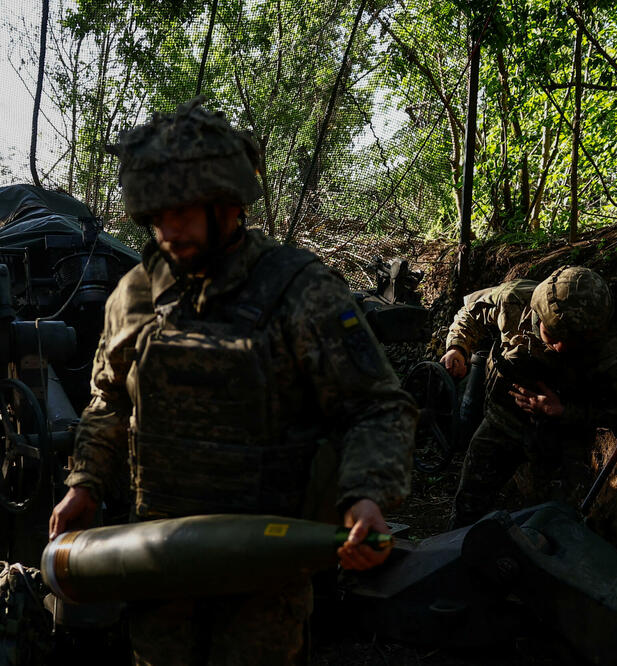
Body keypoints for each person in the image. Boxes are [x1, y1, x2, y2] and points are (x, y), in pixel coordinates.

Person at [49, 98, 416, 665]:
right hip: (158, 555)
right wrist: (85, 483)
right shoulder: (136, 294)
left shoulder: (300, 291)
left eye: (185, 210)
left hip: (264, 564)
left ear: (228, 203)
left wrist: (365, 497)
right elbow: (108, 400)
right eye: (155, 214)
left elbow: (376, 406)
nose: (169, 229)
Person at [440, 265, 617, 528]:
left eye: (572, 342)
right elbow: (470, 312)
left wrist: (563, 411)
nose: (560, 347)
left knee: (553, 523)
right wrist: (457, 347)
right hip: (503, 419)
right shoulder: (515, 300)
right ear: (538, 314)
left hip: (562, 439)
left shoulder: (605, 355)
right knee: (469, 503)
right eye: (555, 335)